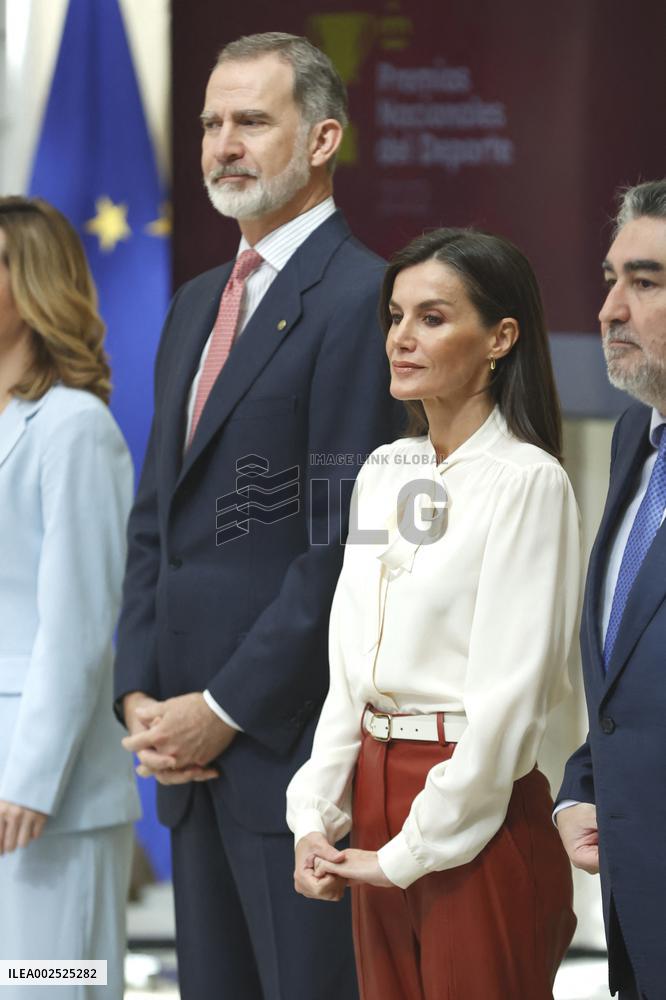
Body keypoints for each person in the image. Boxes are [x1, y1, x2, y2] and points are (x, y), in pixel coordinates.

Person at [114, 32, 400, 1000]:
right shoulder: (197, 300)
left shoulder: (367, 298)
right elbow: (157, 517)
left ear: (322, 139)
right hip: (183, 757)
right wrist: (140, 694)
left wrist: (225, 709)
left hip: (283, 754)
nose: (221, 145)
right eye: (208, 124)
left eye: (250, 121)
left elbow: (340, 542)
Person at [287, 227, 583, 1000]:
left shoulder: (529, 482)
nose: (401, 339)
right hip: (374, 789)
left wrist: (402, 854)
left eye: (432, 318)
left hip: (474, 807)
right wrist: (314, 816)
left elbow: (509, 706)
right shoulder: (385, 472)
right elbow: (349, 665)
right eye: (394, 316)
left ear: (501, 338)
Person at [0, 196, 140, 998]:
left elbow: (77, 626)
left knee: (50, 987)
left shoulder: (73, 427)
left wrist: (30, 779)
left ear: (32, 285)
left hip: (49, 794)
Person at [556, 179, 666, 1000]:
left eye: (646, 281)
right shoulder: (636, 437)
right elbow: (625, 678)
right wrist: (580, 787)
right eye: (610, 278)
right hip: (635, 907)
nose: (608, 310)